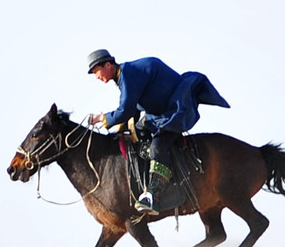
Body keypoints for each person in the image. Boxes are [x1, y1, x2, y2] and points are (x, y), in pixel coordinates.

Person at [86, 49, 230, 213]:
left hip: (176, 111)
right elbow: (133, 109)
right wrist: (122, 129)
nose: (96, 76)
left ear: (108, 65)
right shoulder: (124, 76)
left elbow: (125, 110)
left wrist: (102, 118)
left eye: (96, 71)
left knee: (157, 148)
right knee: (137, 132)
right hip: (159, 114)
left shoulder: (128, 75)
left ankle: (153, 195)